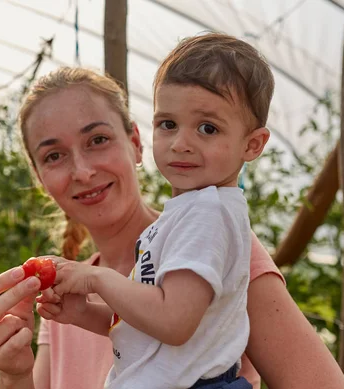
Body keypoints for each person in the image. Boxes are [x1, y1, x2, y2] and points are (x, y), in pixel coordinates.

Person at [0, 39, 344, 389]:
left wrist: (95, 280)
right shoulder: (68, 302)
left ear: (135, 143)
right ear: (40, 178)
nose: (82, 171)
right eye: (54, 155)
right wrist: (15, 373)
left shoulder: (214, 236)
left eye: (97, 140)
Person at [33, 32, 272, 389]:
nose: (180, 143)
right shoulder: (186, 215)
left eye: (207, 127)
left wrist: (99, 280)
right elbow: (146, 331)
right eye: (168, 124)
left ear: (252, 144)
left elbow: (173, 322)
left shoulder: (208, 215)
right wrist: (85, 313)